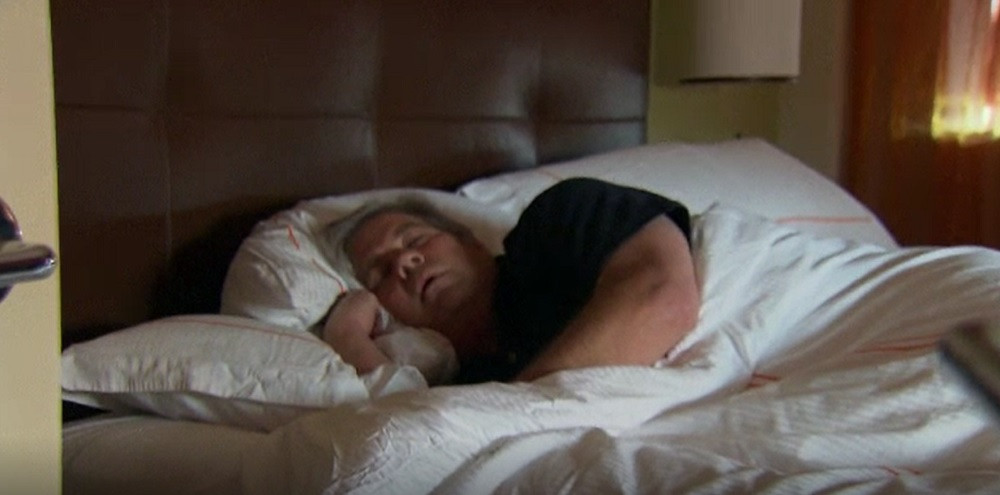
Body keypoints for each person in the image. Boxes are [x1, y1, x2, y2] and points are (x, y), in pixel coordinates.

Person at [322, 178, 700, 383]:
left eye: (415, 240)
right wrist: (347, 336)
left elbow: (664, 298)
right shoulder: (457, 380)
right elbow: (409, 427)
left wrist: (514, 408)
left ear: (470, 242)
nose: (405, 261)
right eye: (381, 273)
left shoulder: (555, 222)